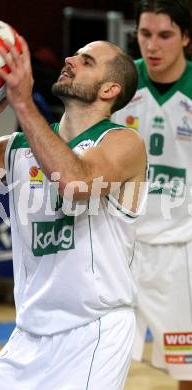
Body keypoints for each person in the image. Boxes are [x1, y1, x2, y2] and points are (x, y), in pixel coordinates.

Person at [0, 37, 147, 389]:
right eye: (74, 54)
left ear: (110, 90)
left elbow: (76, 182)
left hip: (95, 331)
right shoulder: (13, 148)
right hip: (29, 333)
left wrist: (23, 104)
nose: (70, 59)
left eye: (86, 61)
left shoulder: (123, 143)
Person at [112, 1, 192, 389]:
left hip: (181, 251)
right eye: (144, 34)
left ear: (186, 38)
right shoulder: (117, 85)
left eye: (164, 35)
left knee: (187, 369)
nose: (152, 46)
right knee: (102, 362)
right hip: (119, 249)